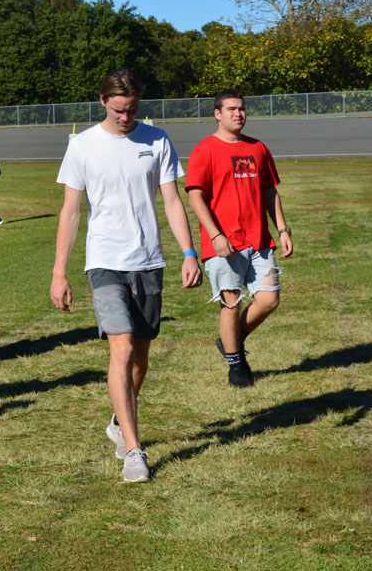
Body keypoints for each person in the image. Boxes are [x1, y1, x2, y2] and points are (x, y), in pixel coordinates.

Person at [51, 68, 203, 483]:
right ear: (102, 101)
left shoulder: (157, 140)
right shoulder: (82, 145)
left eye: (132, 109)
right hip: (103, 261)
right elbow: (70, 211)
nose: (125, 117)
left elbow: (172, 201)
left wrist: (189, 253)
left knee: (139, 357)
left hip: (148, 261)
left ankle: (119, 421)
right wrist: (59, 272)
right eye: (118, 109)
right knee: (120, 349)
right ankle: (134, 451)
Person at [185, 89, 294, 389]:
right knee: (230, 303)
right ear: (217, 114)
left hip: (259, 240)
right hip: (224, 243)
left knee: (269, 299)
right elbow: (195, 197)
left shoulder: (258, 148)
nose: (238, 114)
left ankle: (231, 340)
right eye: (231, 109)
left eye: (242, 108)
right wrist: (215, 235)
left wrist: (283, 230)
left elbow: (270, 191)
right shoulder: (205, 150)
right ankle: (236, 366)